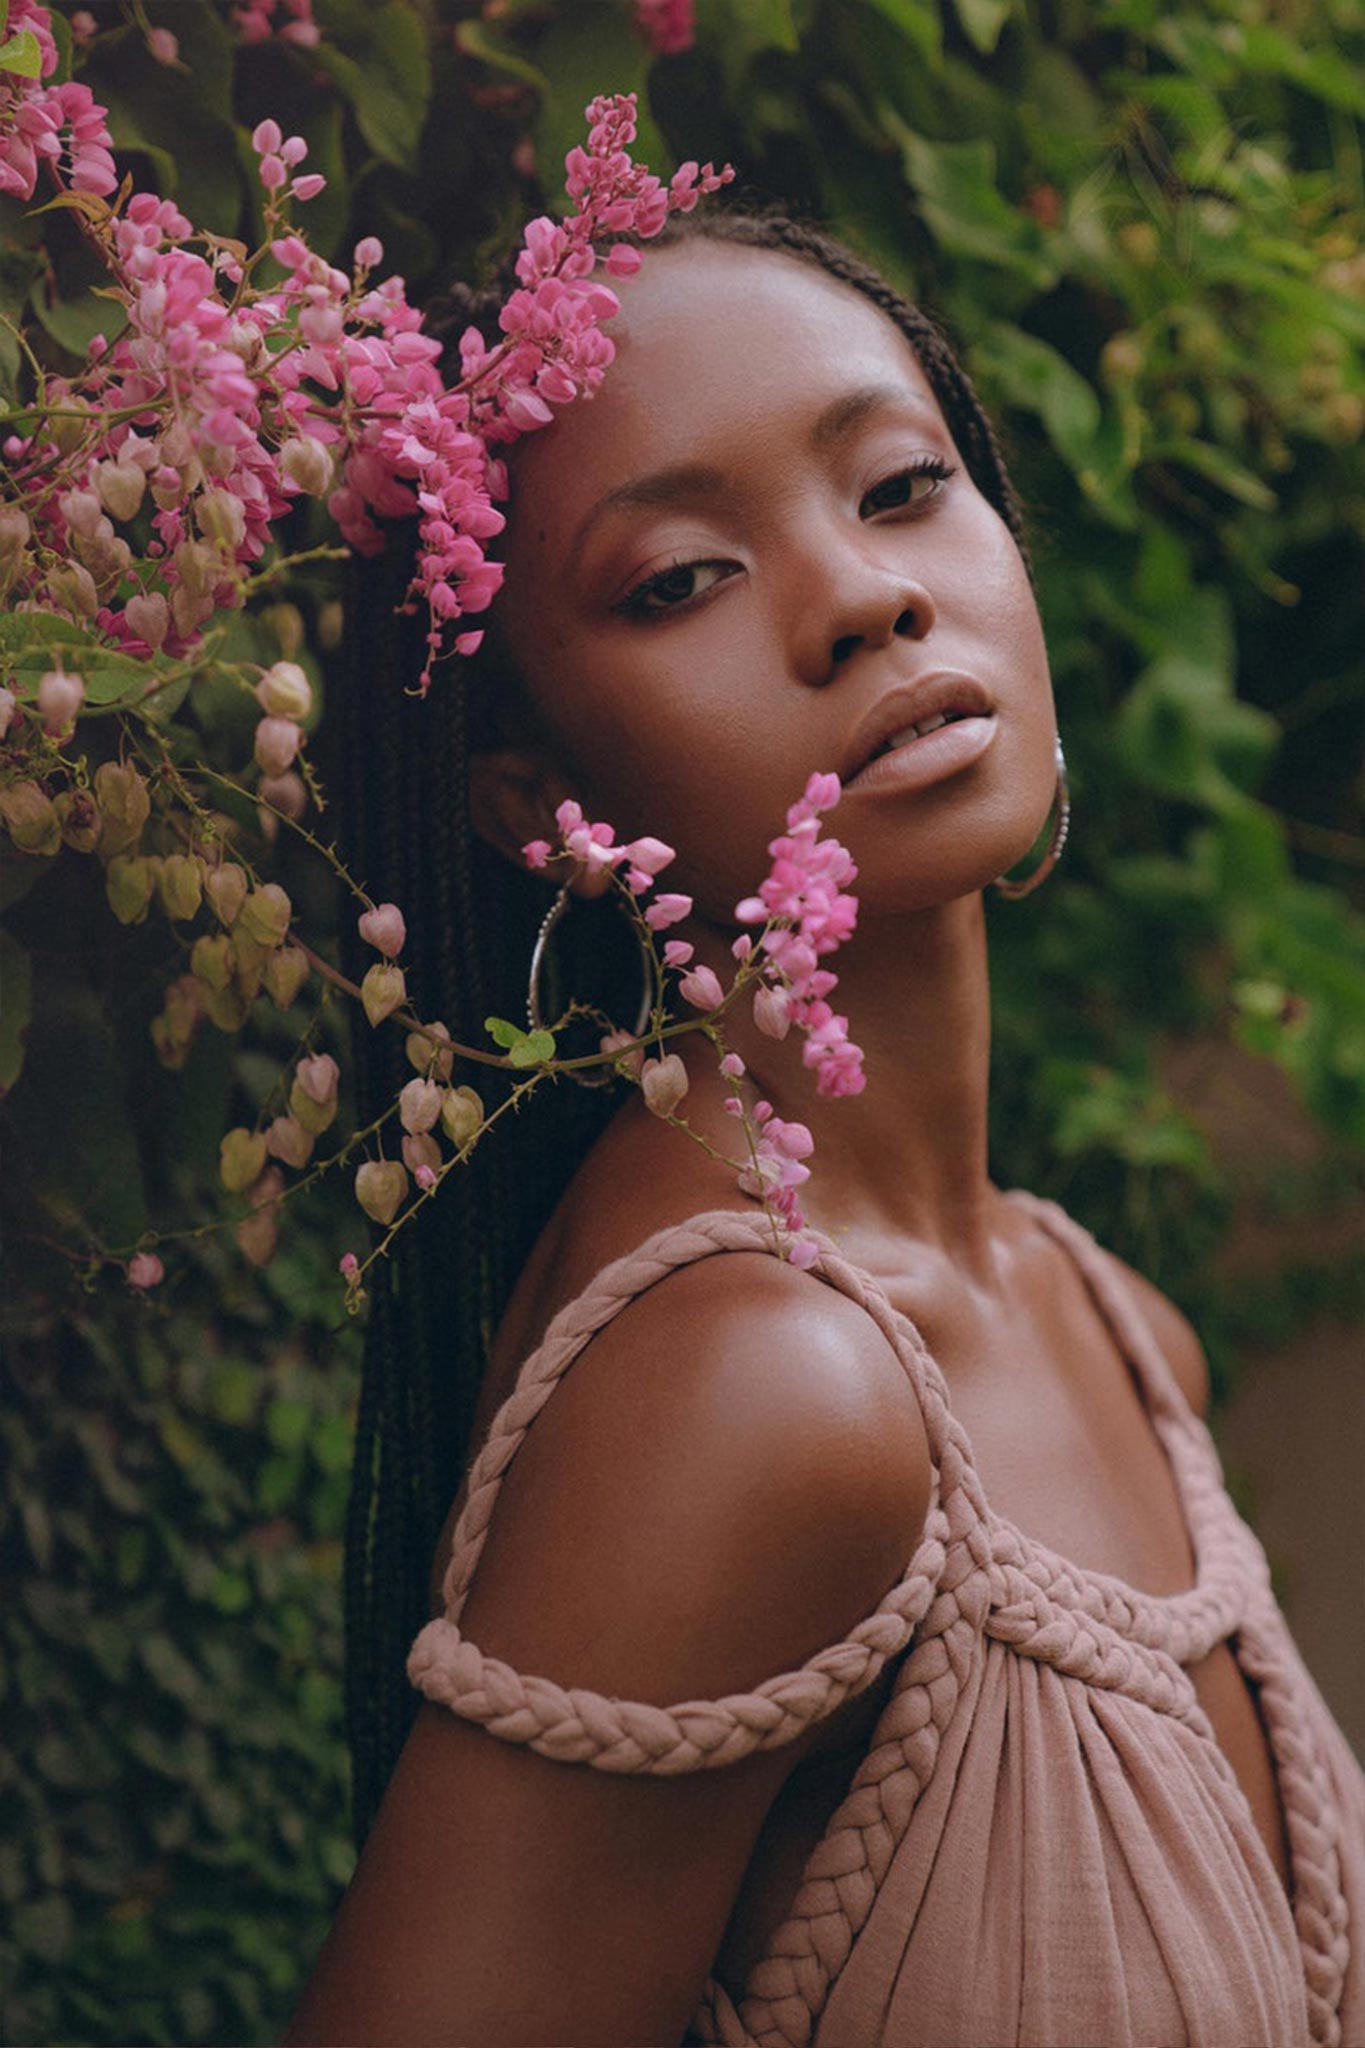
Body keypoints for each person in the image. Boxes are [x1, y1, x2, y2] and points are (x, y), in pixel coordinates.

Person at [284, 206, 1365, 2047]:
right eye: (680, 577)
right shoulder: (757, 1393)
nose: (865, 596)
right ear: (533, 795)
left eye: (898, 485)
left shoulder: (1107, 1320)